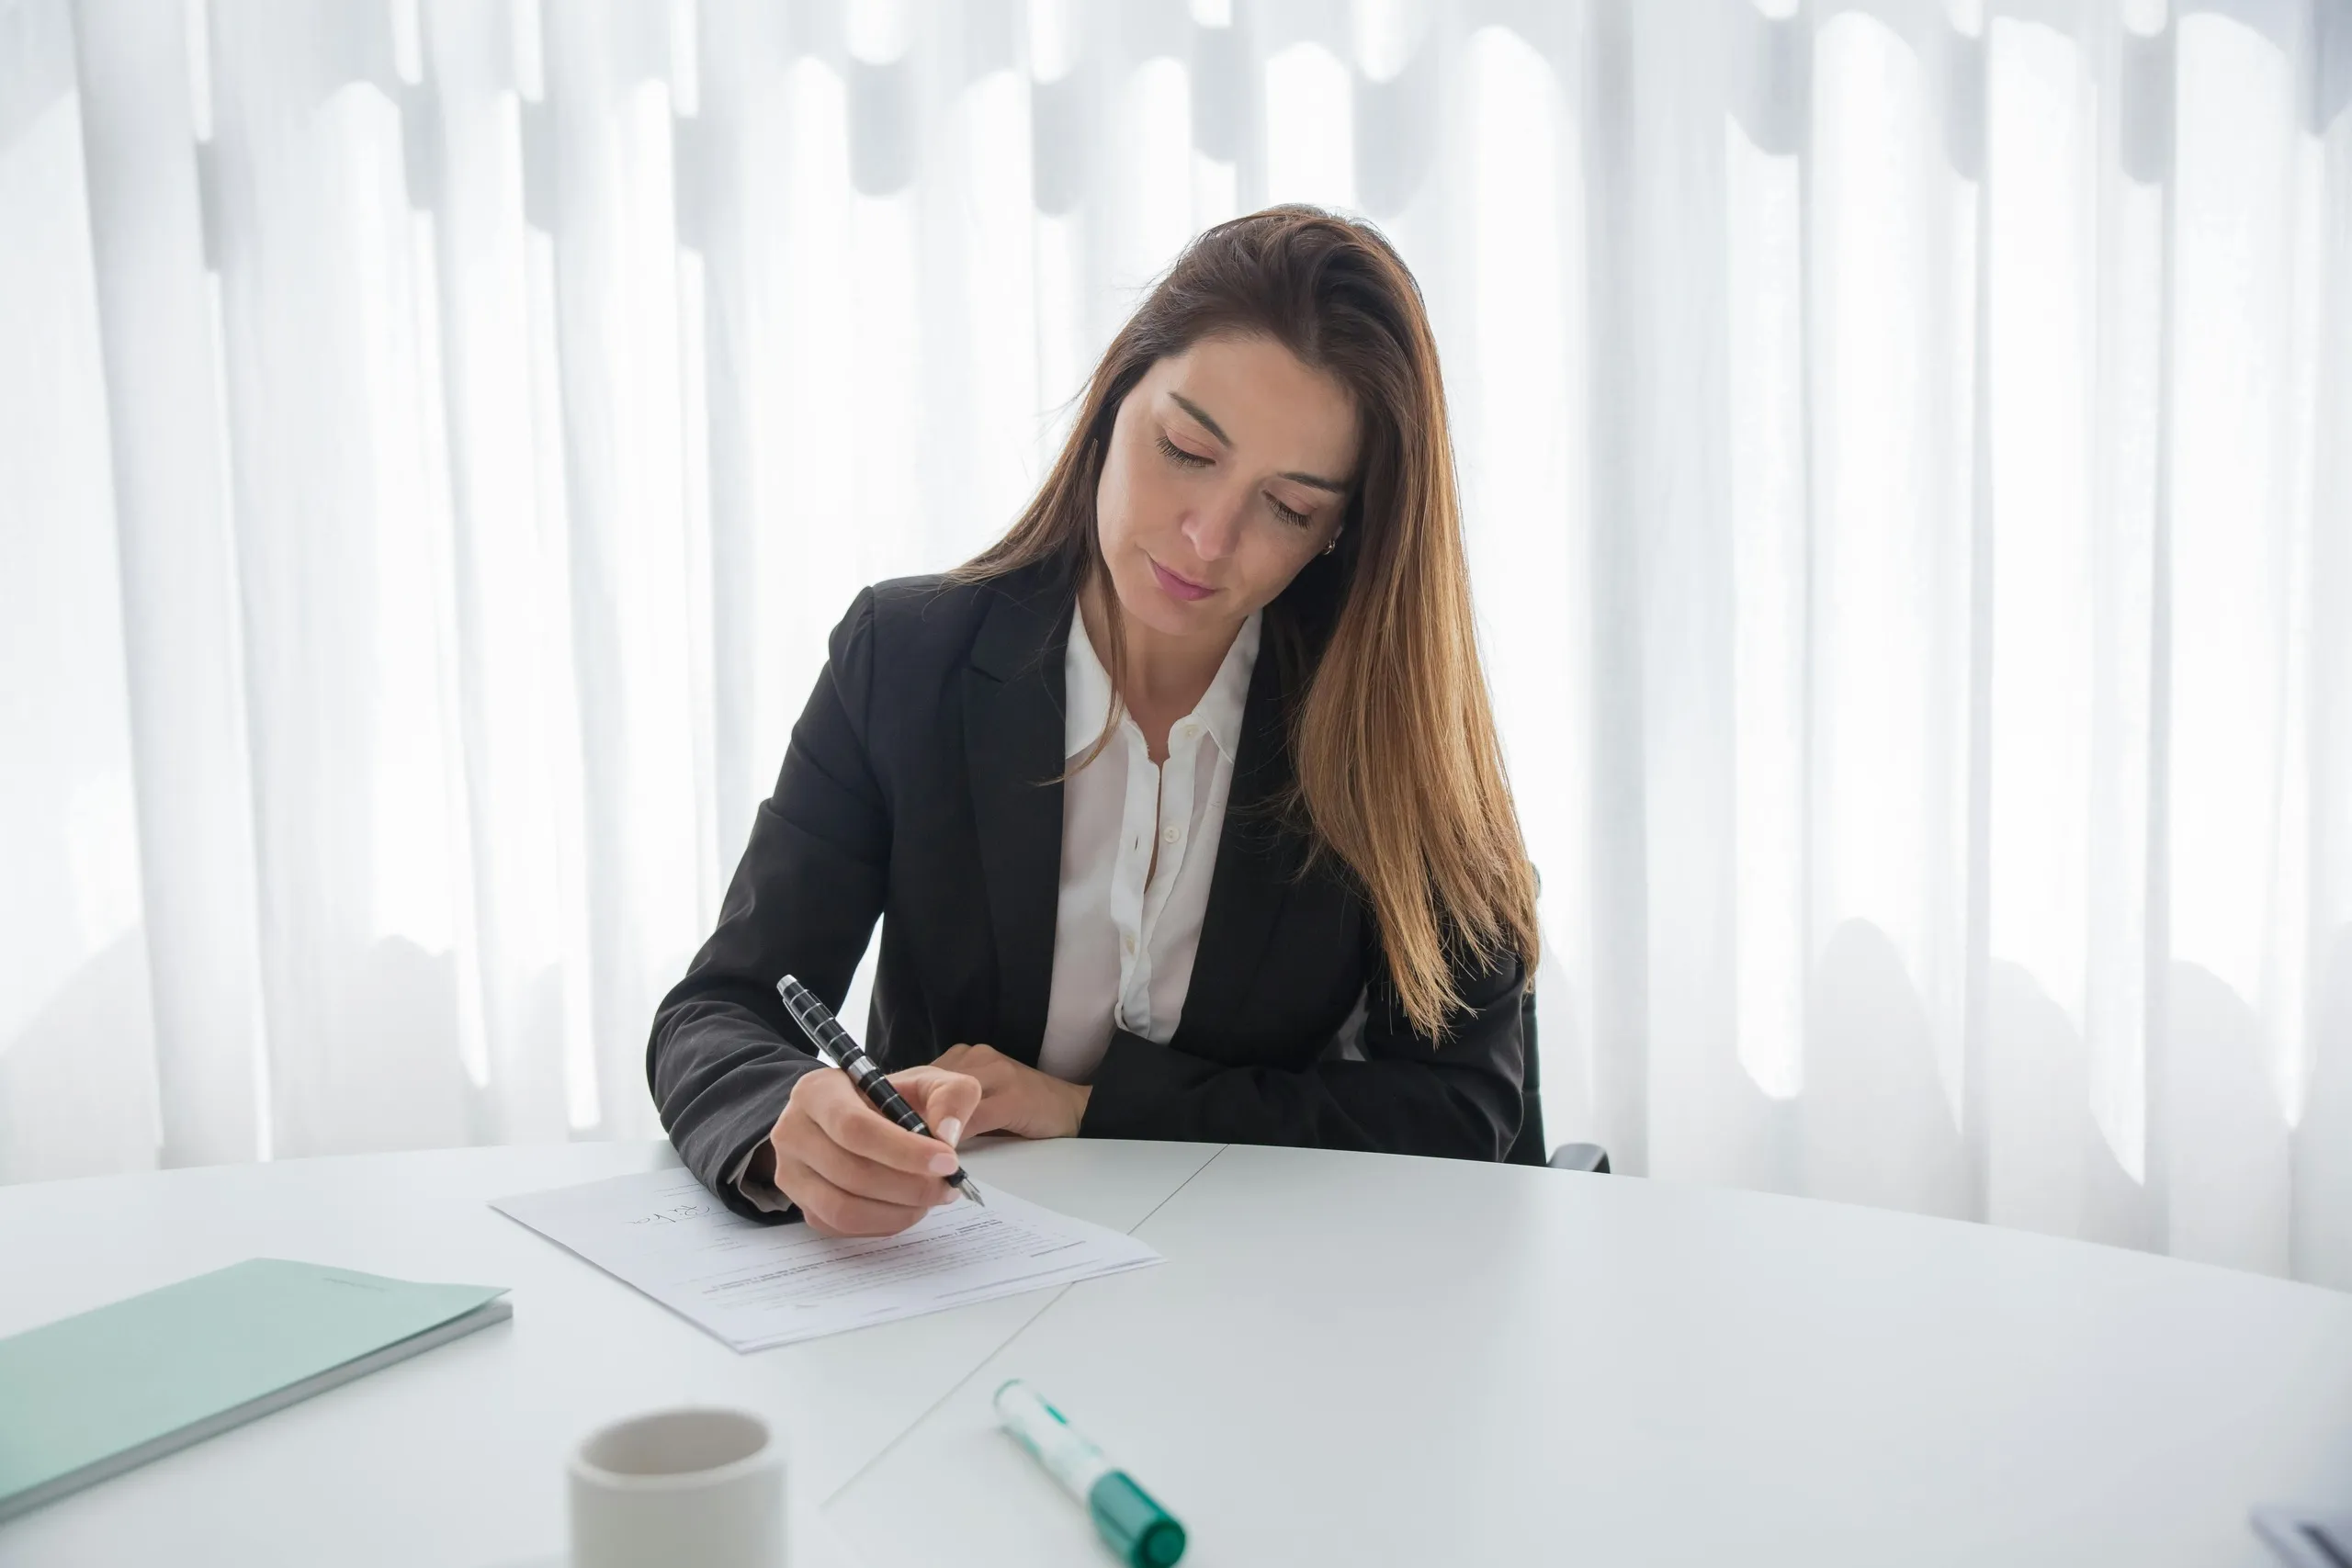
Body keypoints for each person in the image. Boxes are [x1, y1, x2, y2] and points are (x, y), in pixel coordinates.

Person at [649, 206, 1541, 1236]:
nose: (1207, 539)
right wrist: (783, 1122)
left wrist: (1091, 1110)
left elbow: (1461, 1109)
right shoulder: (905, 660)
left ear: (1342, 534)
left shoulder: (1388, 721)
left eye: (1288, 509)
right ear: (1117, 400)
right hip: (953, 1279)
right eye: (1185, 449)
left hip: (1268, 1289)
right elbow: (718, 1011)